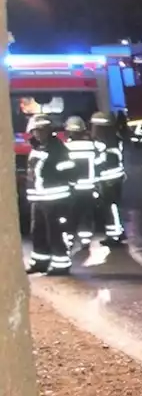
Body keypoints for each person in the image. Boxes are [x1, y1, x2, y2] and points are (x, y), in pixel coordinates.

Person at [24, 114, 75, 275]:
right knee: (37, 232)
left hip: (54, 199)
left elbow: (69, 170)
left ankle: (61, 264)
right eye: (36, 131)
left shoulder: (57, 148)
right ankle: (40, 262)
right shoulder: (36, 148)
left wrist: (53, 174)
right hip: (38, 199)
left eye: (42, 130)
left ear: (49, 130)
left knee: (55, 232)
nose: (39, 134)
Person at [90, 111, 127, 244]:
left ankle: (114, 235)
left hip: (108, 179)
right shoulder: (115, 138)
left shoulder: (102, 142)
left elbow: (101, 161)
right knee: (114, 206)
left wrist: (91, 165)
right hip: (116, 177)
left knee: (110, 207)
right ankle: (118, 232)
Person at [63, 116, 99, 250]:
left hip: (72, 188)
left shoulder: (66, 147)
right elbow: (98, 164)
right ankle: (85, 240)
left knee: (70, 215)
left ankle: (70, 240)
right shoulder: (92, 146)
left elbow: (64, 167)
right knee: (86, 215)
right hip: (89, 188)